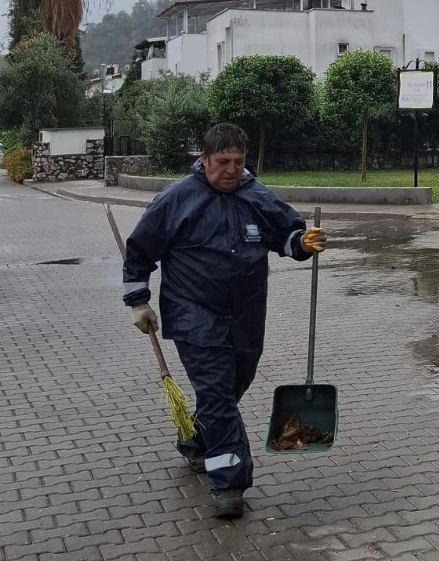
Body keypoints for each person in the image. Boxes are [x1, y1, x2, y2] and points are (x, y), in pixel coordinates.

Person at [121, 123, 327, 520]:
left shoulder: (257, 196)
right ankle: (230, 482)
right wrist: (138, 302)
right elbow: (139, 250)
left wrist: (304, 243)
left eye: (238, 162)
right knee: (216, 394)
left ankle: (199, 440)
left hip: (247, 315)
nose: (231, 170)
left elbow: (288, 235)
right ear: (204, 159)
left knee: (233, 386)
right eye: (222, 162)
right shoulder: (176, 200)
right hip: (193, 314)